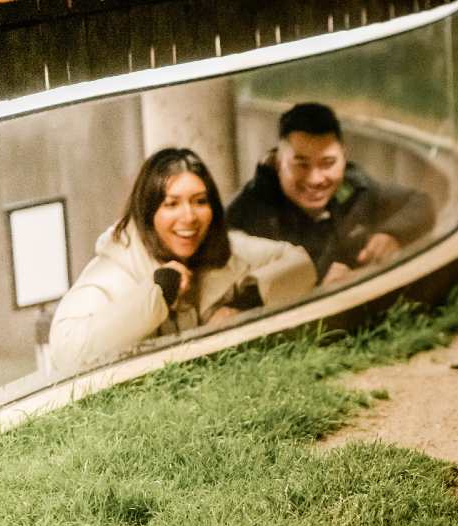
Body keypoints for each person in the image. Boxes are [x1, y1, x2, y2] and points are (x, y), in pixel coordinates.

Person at [49, 148, 317, 373]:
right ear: (147, 212)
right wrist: (157, 295)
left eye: (200, 201)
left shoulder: (224, 249)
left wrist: (246, 298)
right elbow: (66, 352)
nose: (189, 217)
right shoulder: (114, 270)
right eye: (171, 204)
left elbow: (299, 262)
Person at [225, 102, 436, 285]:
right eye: (302, 165)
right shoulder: (245, 214)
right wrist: (315, 291)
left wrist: (391, 234)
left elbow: (420, 203)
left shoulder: (356, 188)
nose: (316, 179)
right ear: (278, 162)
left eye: (328, 163)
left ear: (344, 157)